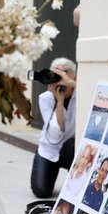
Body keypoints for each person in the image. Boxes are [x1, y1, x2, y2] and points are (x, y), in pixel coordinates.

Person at [30, 57, 78, 198]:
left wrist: (73, 84)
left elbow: (96, 91)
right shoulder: (45, 98)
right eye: (55, 73)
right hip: (49, 150)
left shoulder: (82, 93)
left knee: (72, 144)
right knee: (41, 191)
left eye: (64, 72)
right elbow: (55, 134)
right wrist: (59, 101)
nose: (59, 77)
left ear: (74, 75)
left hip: (71, 150)